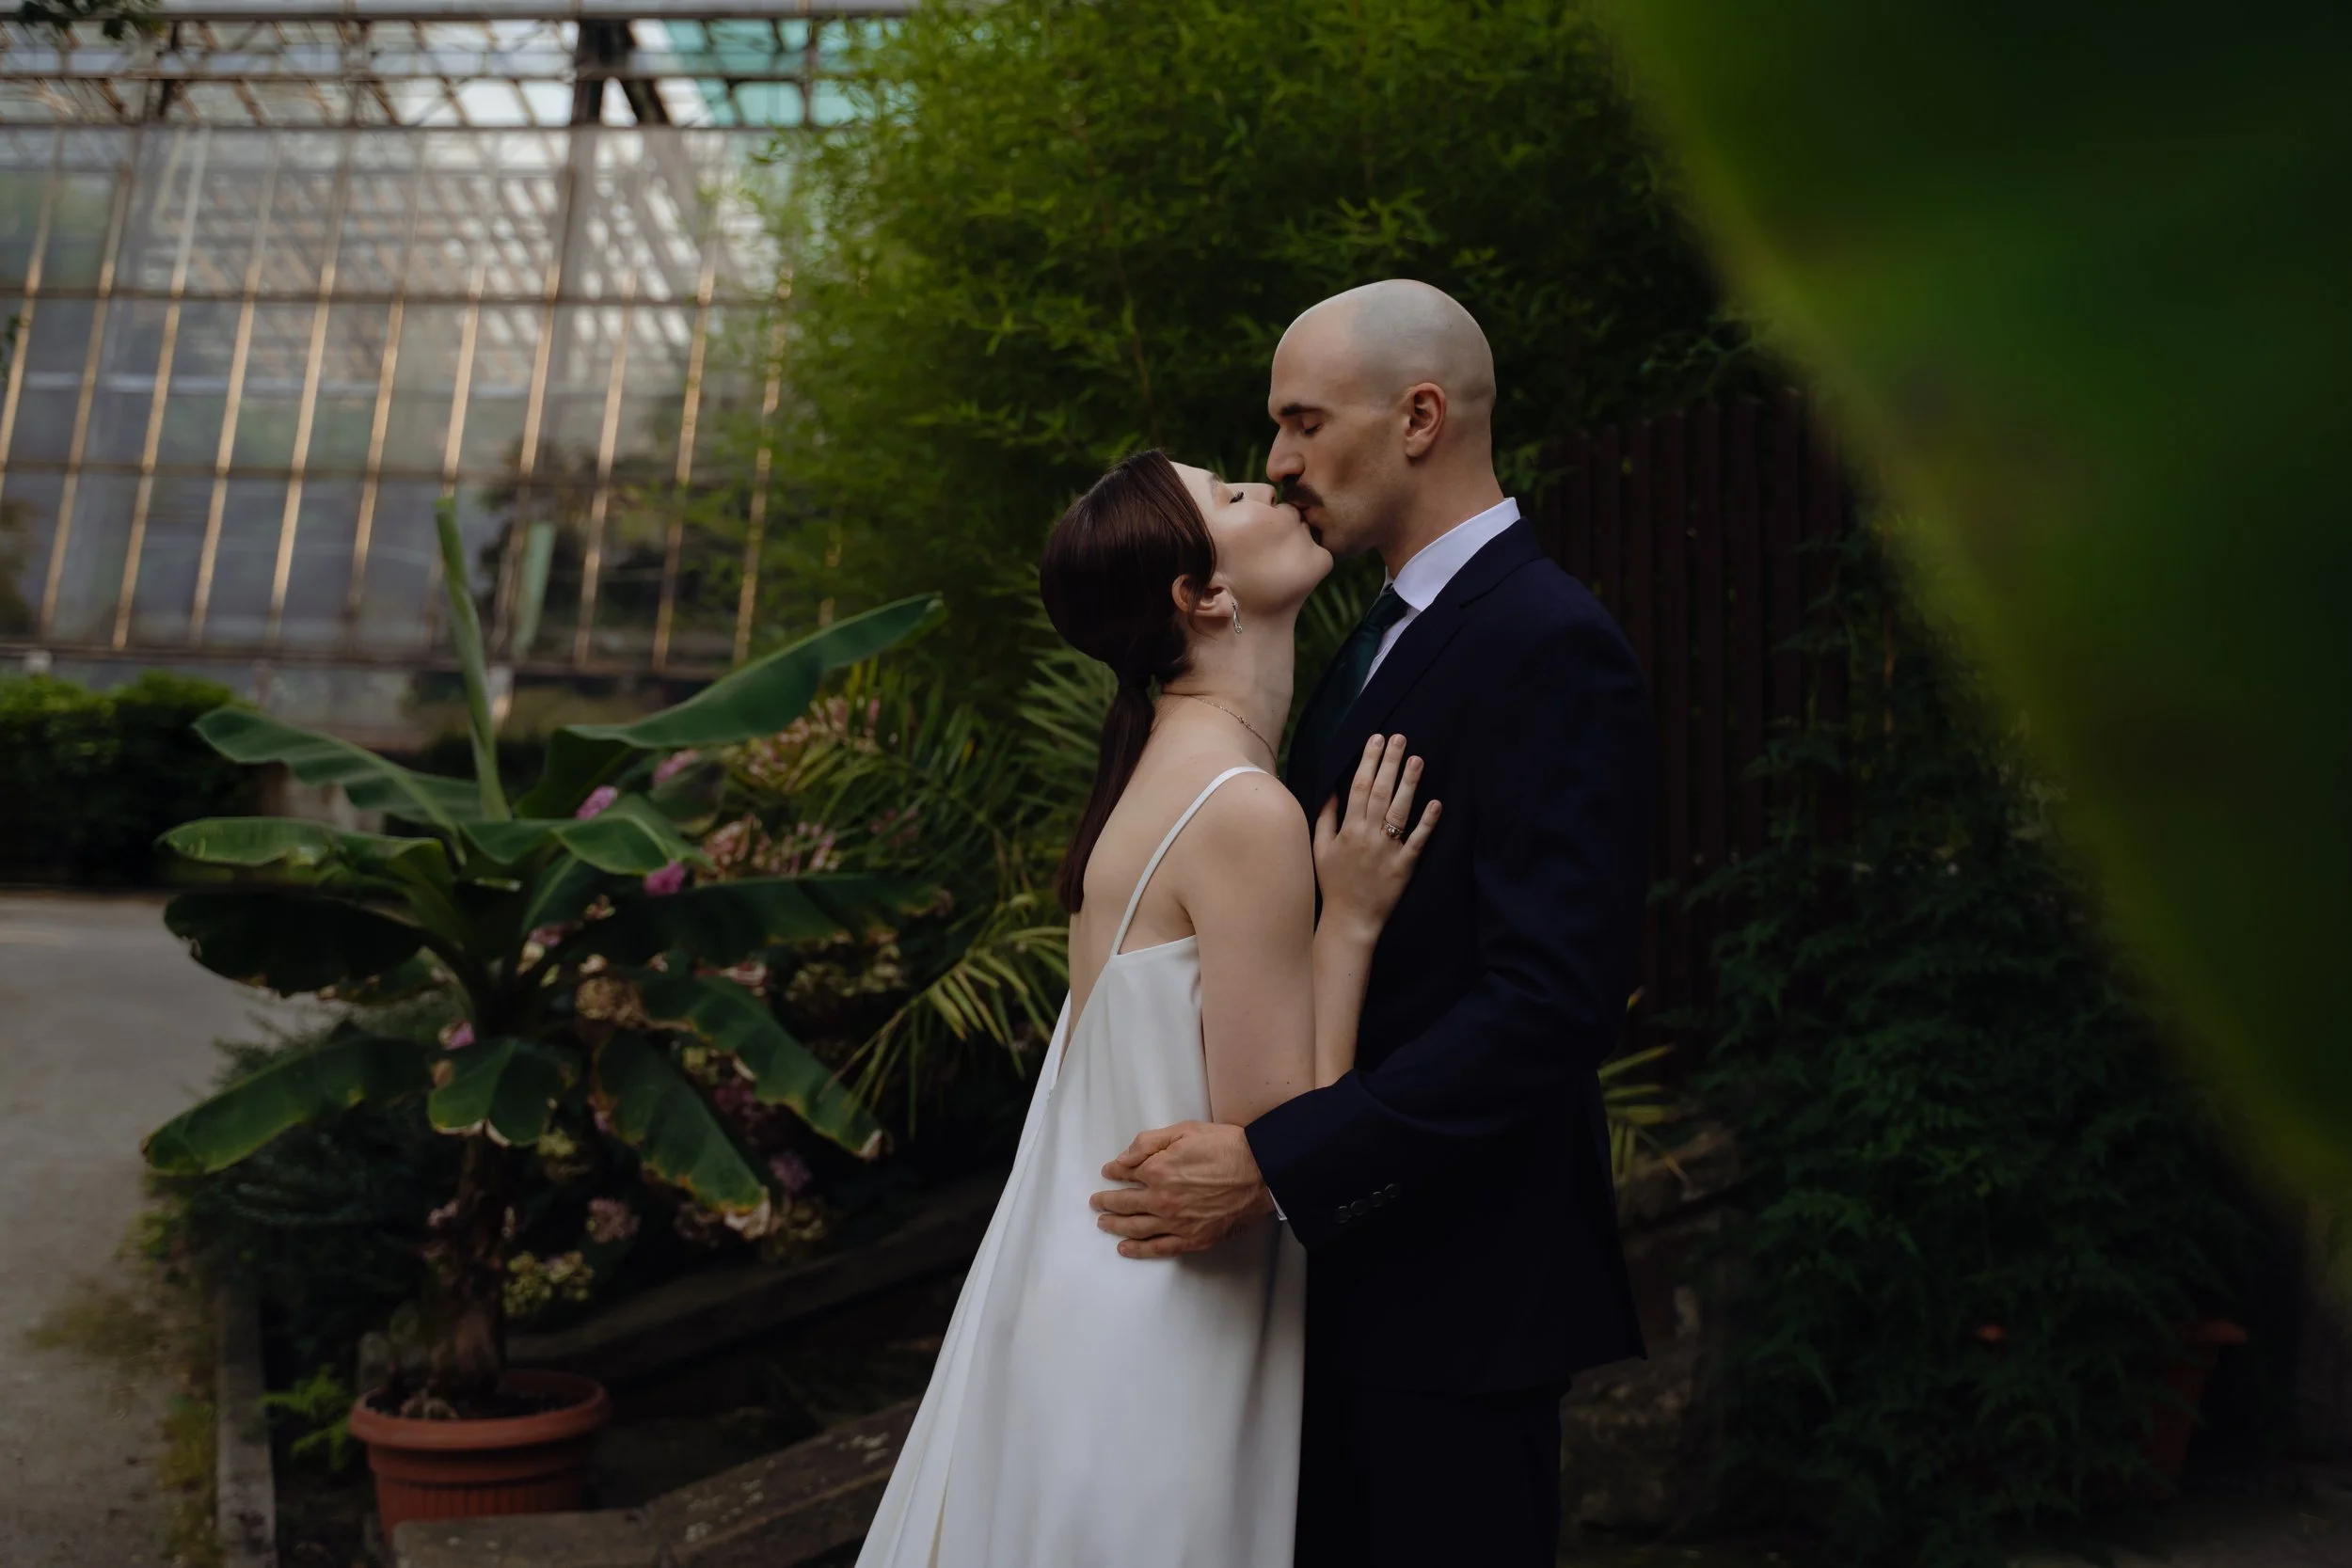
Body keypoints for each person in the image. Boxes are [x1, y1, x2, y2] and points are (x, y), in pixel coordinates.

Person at [1089, 279, 1652, 1567]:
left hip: (1456, 1307)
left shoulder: (1551, 640)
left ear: (1418, 417)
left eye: (1302, 421)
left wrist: (1284, 1160)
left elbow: (1551, 1000)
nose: (1279, 461)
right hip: (1327, 1295)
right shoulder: (1370, 637)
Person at [855, 445, 1439, 1566]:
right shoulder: (1239, 808)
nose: (1268, 485)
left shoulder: (1159, 777)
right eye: (1229, 494)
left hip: (1088, 1303)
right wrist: (1354, 918)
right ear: (1201, 594)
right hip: (1156, 1333)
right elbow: (1281, 1134)